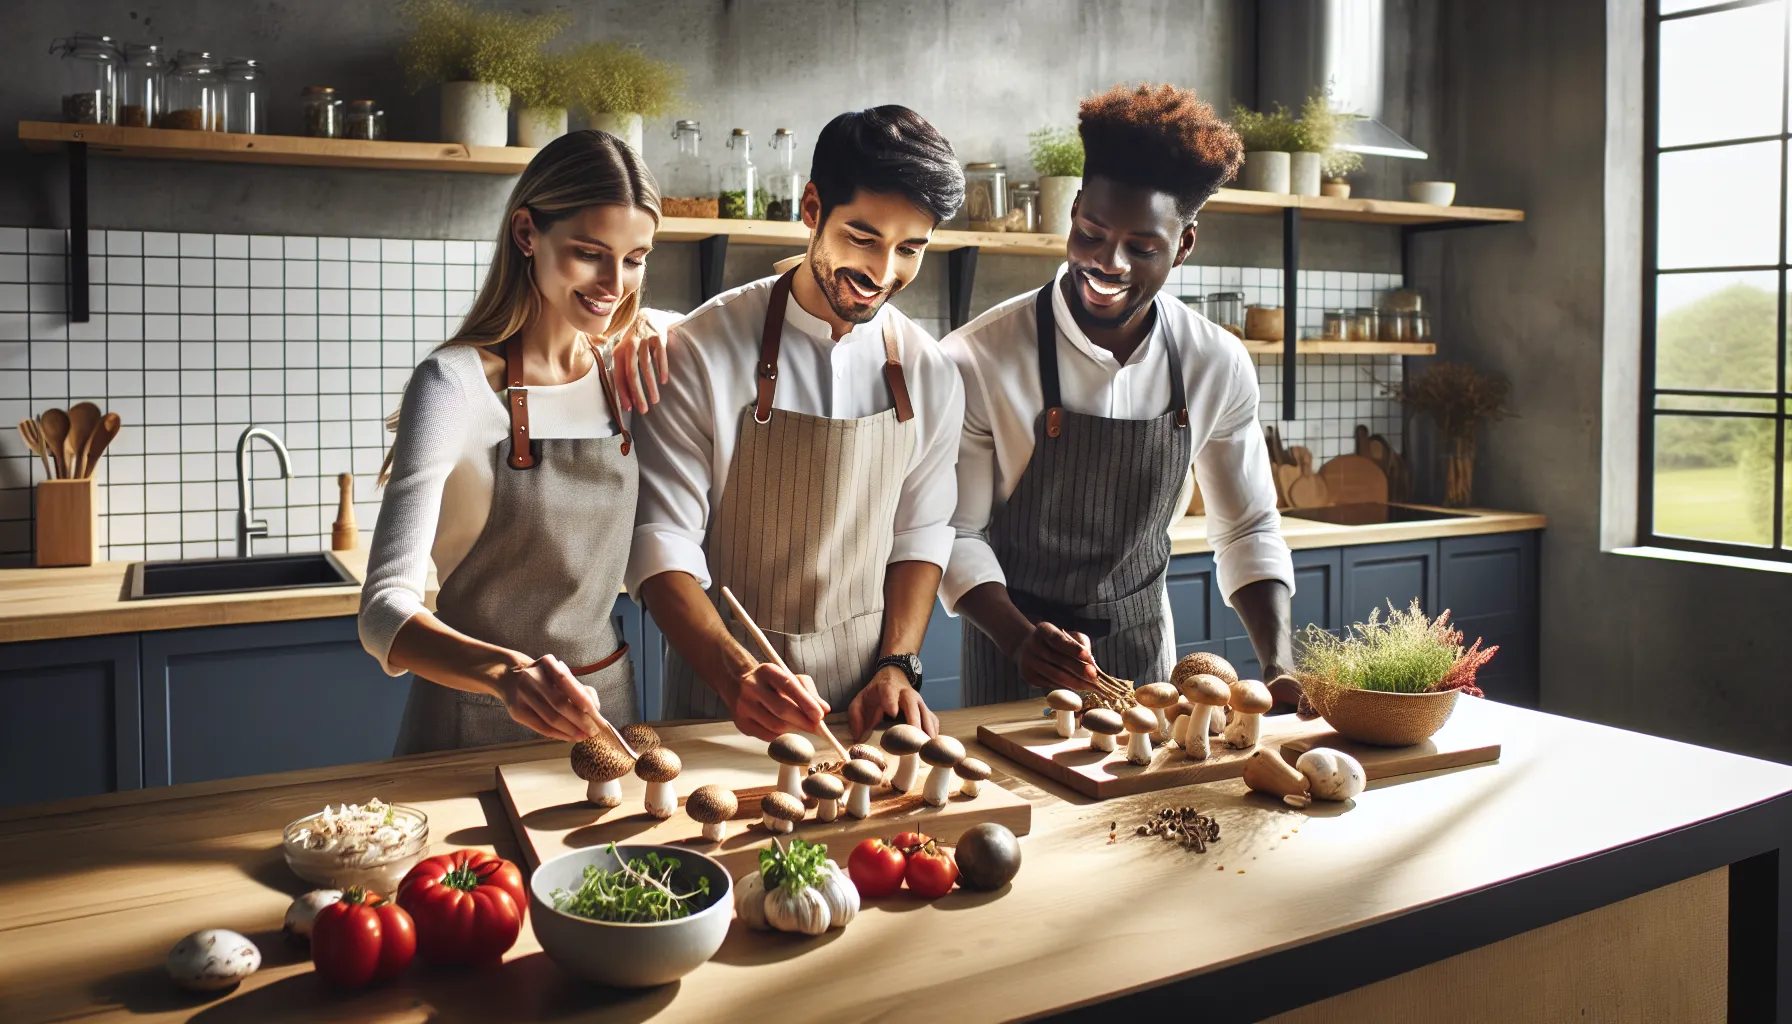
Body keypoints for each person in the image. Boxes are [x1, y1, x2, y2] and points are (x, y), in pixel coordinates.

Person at [942, 83, 1297, 705]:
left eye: (1142, 247)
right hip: (1013, 655)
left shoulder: (1215, 361)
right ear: (1075, 210)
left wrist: (1280, 664)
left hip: (1144, 658)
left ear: (1183, 245)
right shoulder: (979, 356)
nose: (1108, 263)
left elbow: (1246, 527)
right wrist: (1020, 640)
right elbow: (957, 533)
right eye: (1092, 233)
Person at [629, 106, 966, 743]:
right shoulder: (704, 350)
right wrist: (736, 677)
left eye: (911, 249)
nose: (882, 272)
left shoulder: (929, 372)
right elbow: (659, 544)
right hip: (720, 702)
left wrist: (898, 666)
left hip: (867, 707)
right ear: (812, 208)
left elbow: (921, 534)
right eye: (863, 238)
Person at [360, 130, 676, 754]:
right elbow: (382, 611)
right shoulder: (454, 383)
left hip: (609, 719)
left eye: (635, 258)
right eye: (590, 253)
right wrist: (506, 675)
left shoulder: (628, 364)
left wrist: (654, 324)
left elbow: (775, 299)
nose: (615, 283)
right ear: (528, 233)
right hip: (473, 722)